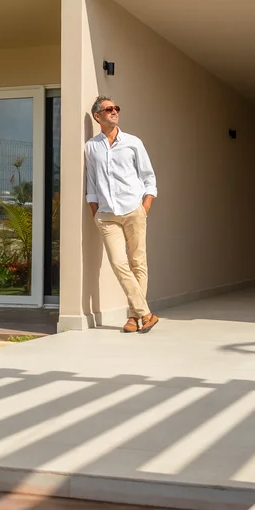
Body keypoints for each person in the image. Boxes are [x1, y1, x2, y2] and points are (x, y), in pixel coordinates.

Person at [85, 96, 159, 334]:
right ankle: (146, 313)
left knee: (138, 264)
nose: (114, 111)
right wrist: (96, 211)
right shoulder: (91, 147)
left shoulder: (133, 142)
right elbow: (92, 184)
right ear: (98, 116)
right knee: (119, 263)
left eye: (116, 108)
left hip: (133, 209)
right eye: (108, 109)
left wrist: (144, 206)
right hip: (107, 215)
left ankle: (133, 317)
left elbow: (149, 177)